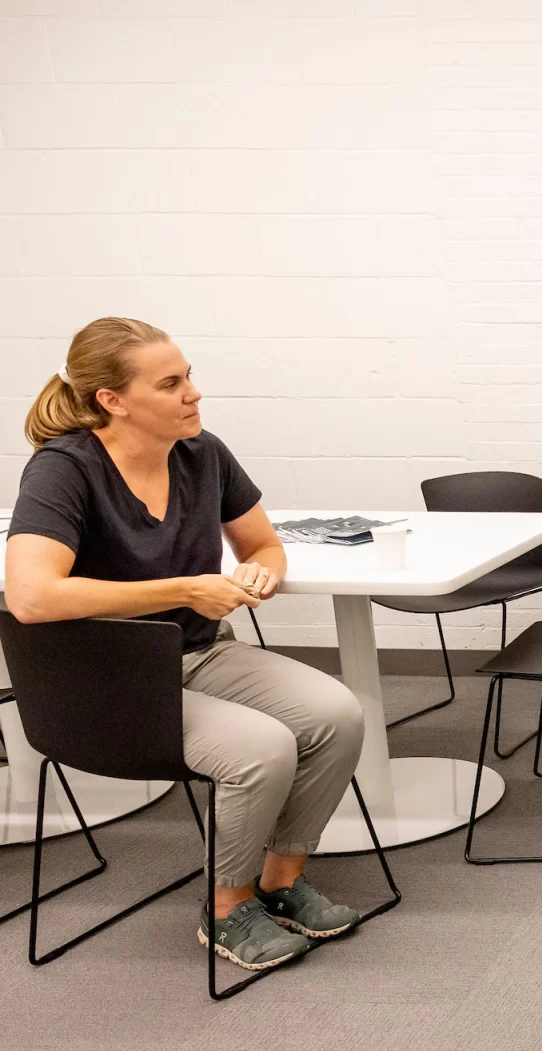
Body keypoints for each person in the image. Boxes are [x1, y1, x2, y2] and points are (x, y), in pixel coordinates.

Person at [7, 317, 369, 973]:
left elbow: (263, 543)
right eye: (170, 383)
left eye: (189, 375)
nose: (193, 394)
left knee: (337, 714)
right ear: (111, 401)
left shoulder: (203, 454)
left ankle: (279, 882)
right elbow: (32, 596)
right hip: (107, 681)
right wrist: (182, 587)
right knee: (261, 748)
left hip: (200, 652)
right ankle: (227, 910)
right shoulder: (64, 470)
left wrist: (264, 570)